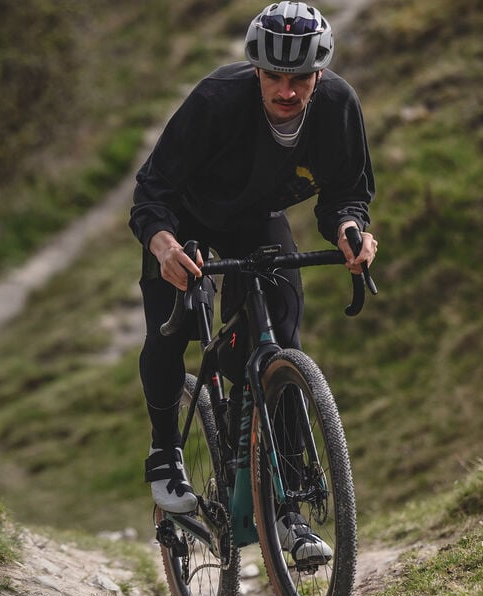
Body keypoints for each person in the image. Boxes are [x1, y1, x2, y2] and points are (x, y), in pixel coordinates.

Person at [129, 1, 377, 562]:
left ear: (320, 74)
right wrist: (163, 244)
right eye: (274, 77)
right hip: (184, 219)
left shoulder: (336, 105)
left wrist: (349, 229)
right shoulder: (218, 100)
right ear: (256, 70)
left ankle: (286, 510)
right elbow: (153, 192)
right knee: (170, 328)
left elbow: (347, 192)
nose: (286, 91)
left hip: (255, 220)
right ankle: (166, 450)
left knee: (280, 338)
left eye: (300, 79)